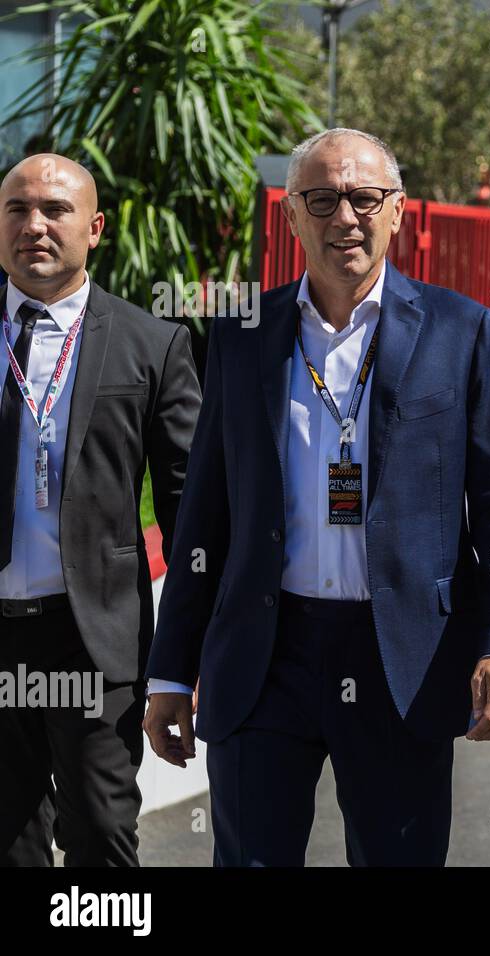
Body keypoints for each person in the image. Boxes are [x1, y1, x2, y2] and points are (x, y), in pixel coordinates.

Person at [142, 129, 490, 866]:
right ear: (292, 216)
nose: (344, 217)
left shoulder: (462, 331)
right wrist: (171, 670)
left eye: (364, 198)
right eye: (321, 200)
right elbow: (205, 514)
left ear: (398, 213)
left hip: (404, 662)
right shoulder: (242, 334)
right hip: (264, 659)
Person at [0, 154, 200, 865]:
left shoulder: (153, 344)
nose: (34, 226)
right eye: (17, 209)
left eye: (54, 210)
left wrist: (188, 660)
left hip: (91, 638)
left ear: (95, 227)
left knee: (98, 831)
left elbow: (188, 513)